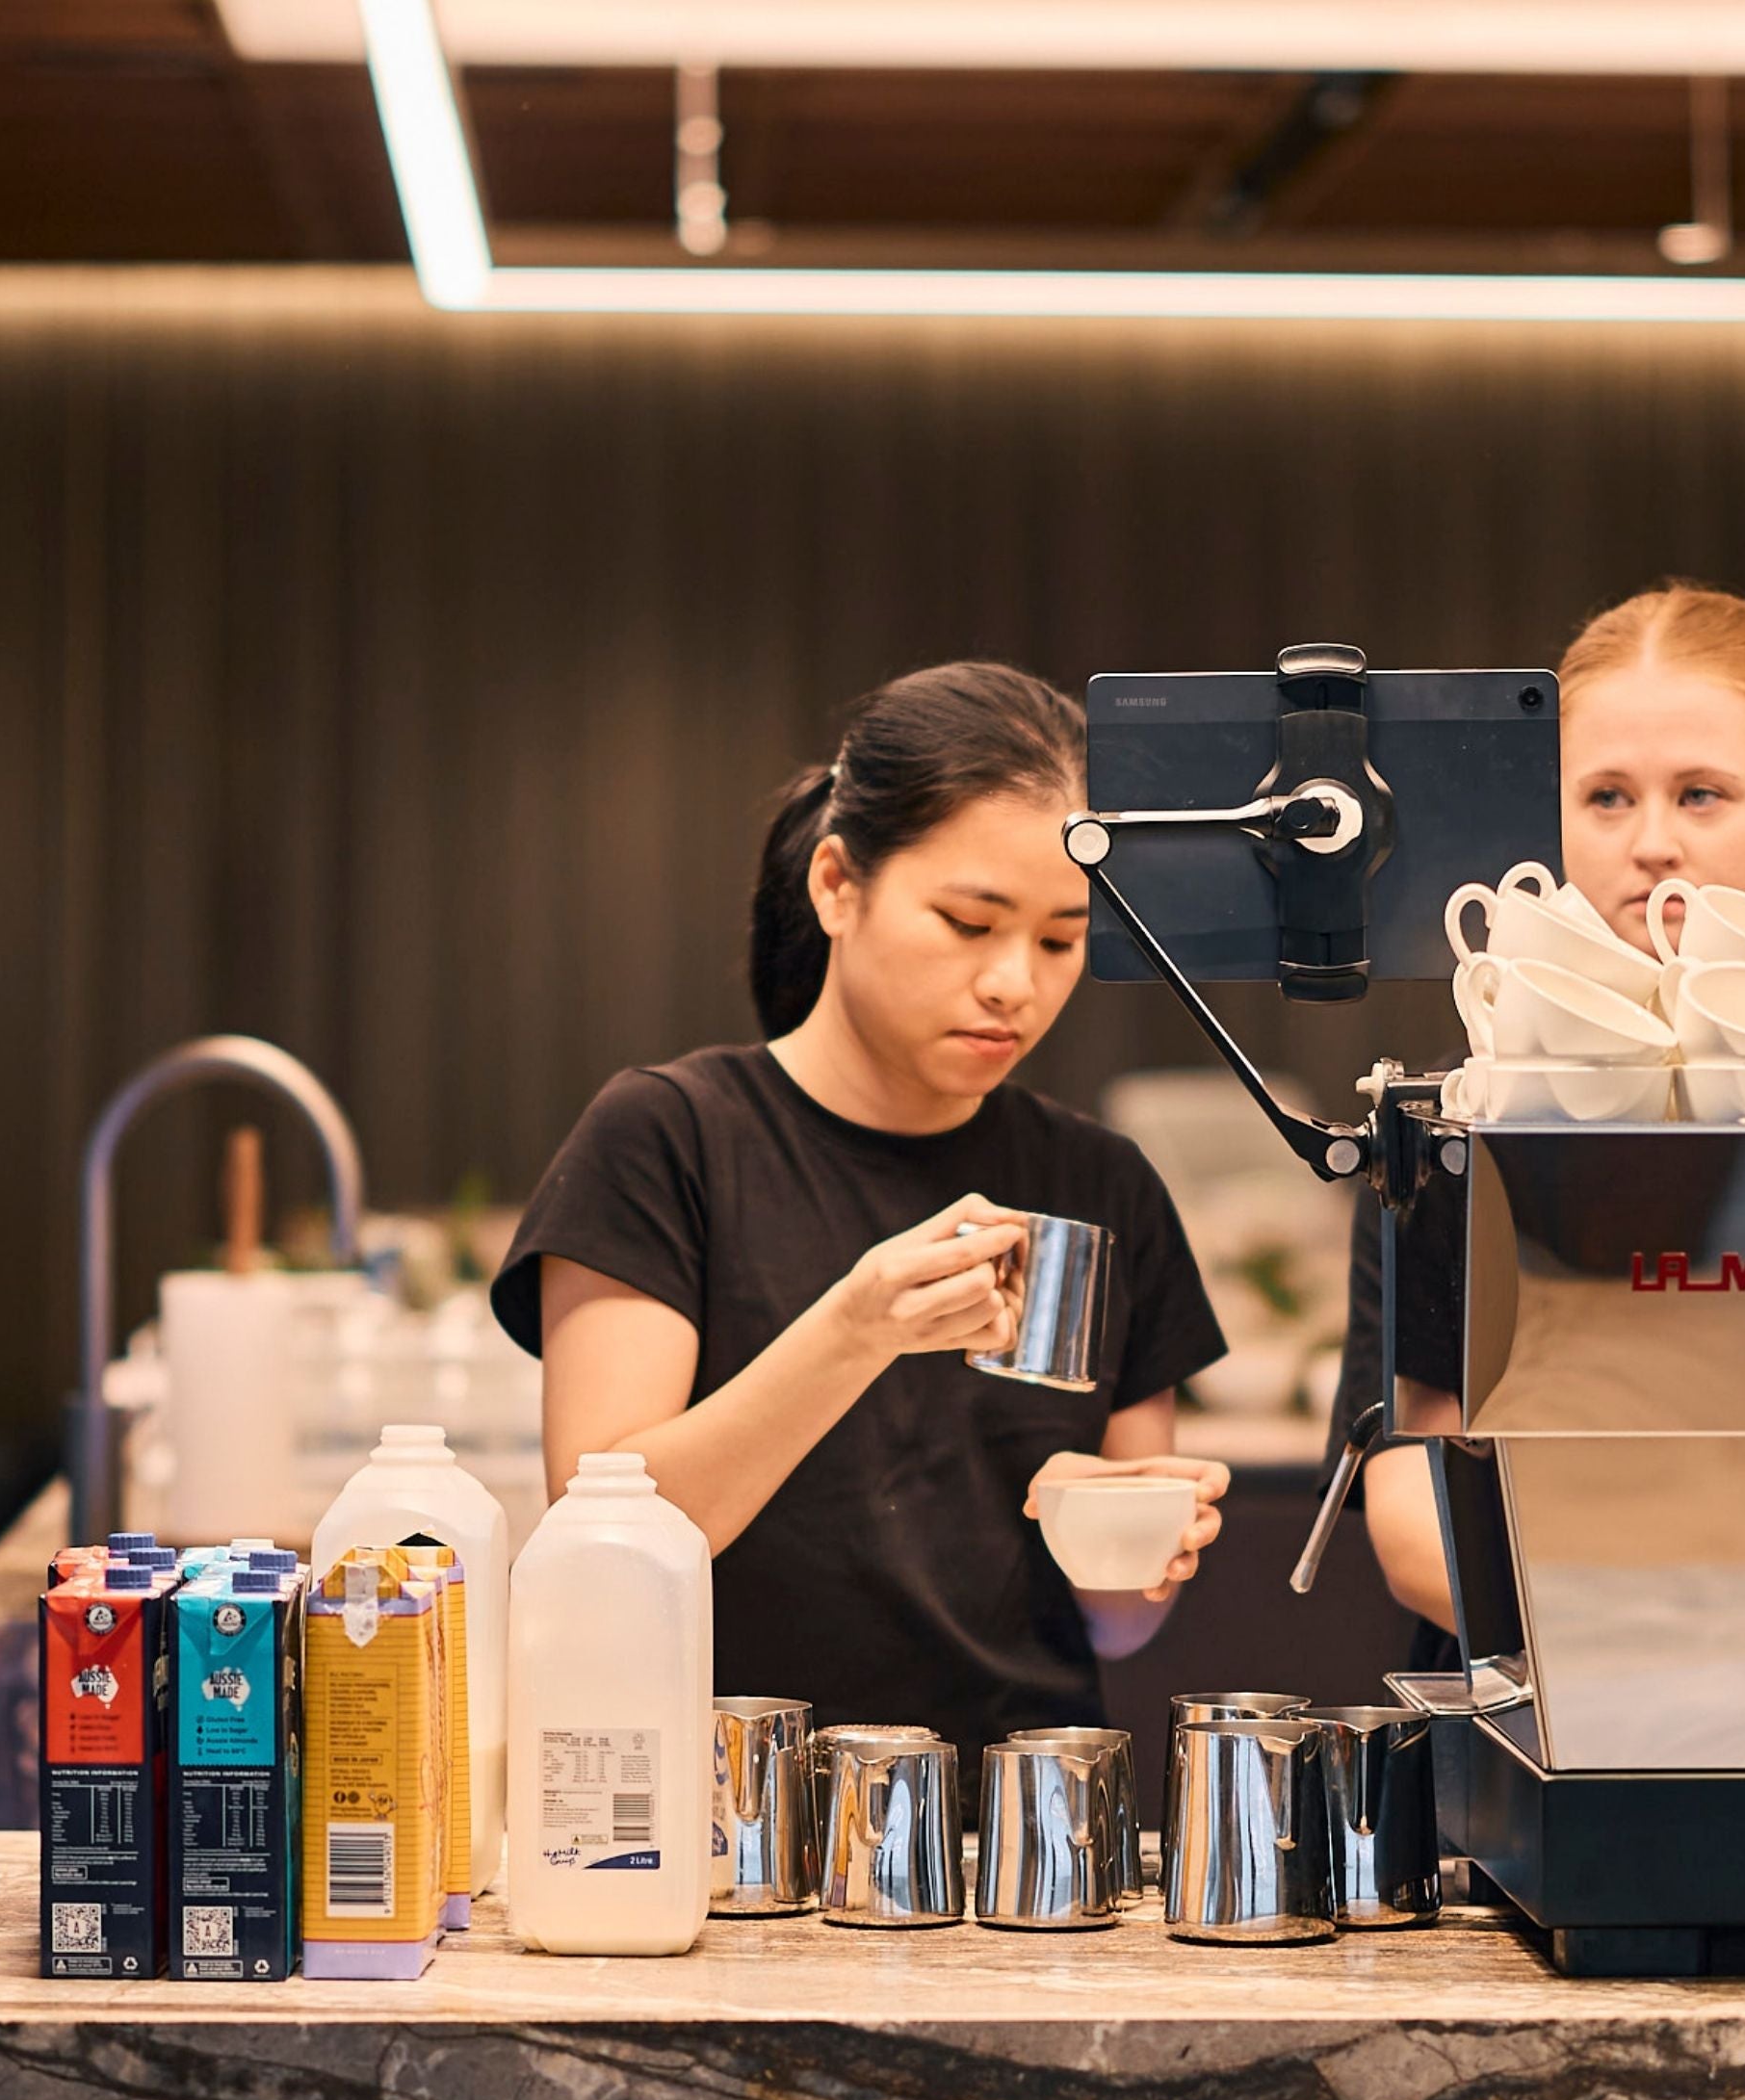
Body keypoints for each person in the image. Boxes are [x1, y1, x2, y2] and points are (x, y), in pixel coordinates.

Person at [491, 662, 1233, 1762]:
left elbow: (1117, 1626)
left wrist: (1120, 1540)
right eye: (969, 922)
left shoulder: (1100, 1184)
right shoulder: (670, 1138)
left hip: (1017, 1843)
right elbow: (605, 1544)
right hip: (729, 1824)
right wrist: (855, 1332)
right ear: (838, 885)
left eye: (1061, 941)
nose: (1013, 984)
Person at [1336, 583, 1745, 1638]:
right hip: (1538, 1698)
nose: (1652, 842)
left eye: (1701, 794)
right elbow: (1410, 1508)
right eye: (1607, 796)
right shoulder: (1457, 1117)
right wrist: (1652, 1636)